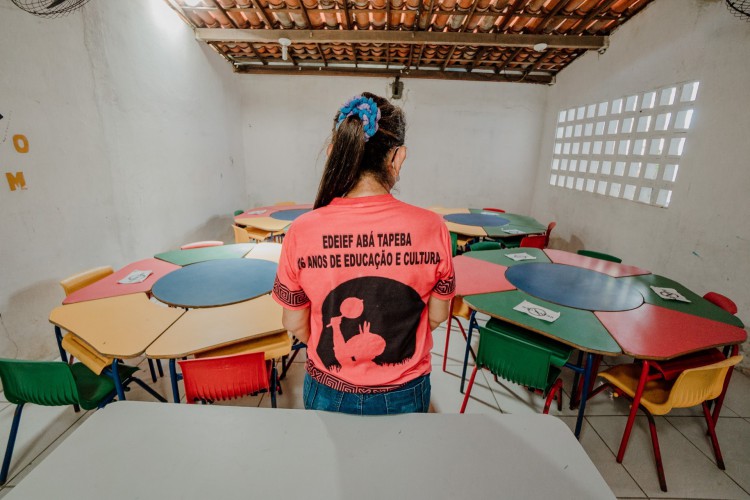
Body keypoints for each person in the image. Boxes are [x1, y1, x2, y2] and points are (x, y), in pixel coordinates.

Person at [271, 92, 455, 415]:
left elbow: (294, 322)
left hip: (328, 388)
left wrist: (339, 348)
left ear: (333, 154)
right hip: (405, 390)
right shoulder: (433, 227)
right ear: (397, 158)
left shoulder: (301, 231)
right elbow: (438, 315)